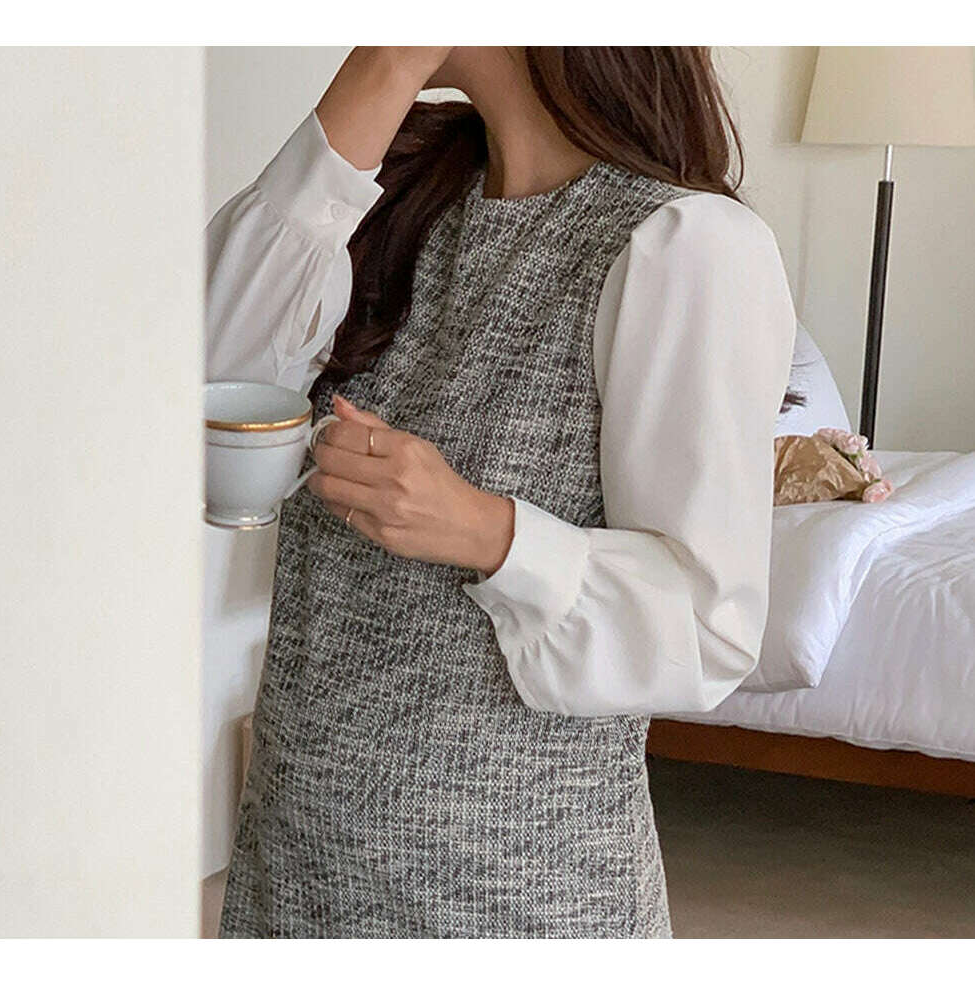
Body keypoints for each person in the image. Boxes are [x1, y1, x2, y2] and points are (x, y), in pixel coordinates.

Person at [206, 46, 797, 938]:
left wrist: (488, 532)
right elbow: (209, 389)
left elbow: (709, 627)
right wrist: (381, 69)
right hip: (293, 875)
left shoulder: (685, 245)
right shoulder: (395, 191)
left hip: (518, 901)